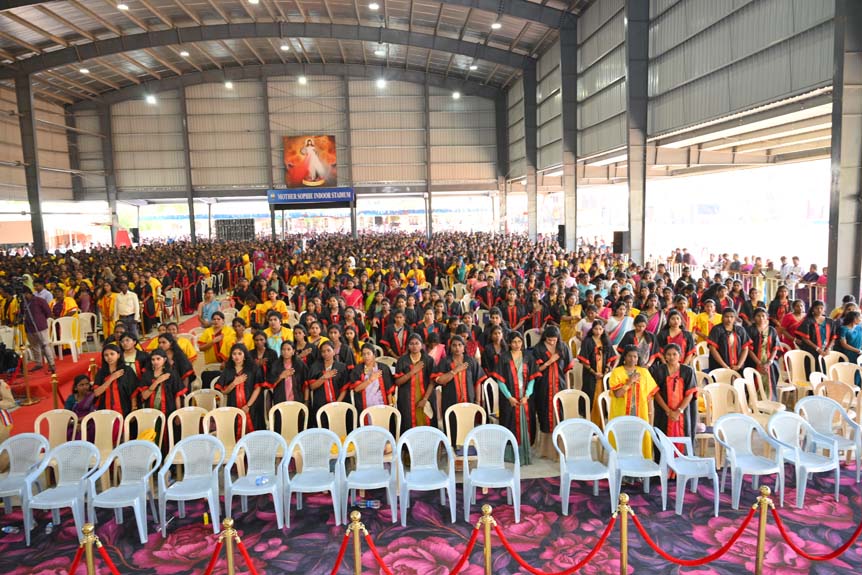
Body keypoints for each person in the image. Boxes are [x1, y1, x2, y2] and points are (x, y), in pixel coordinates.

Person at [608, 345, 658, 458]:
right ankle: (621, 463)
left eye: (635, 356)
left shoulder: (644, 372)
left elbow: (650, 397)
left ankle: (641, 464)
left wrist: (650, 417)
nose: (632, 359)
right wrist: (629, 382)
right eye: (629, 356)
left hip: (641, 413)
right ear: (624, 357)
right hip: (621, 413)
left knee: (641, 439)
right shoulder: (617, 372)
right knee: (622, 439)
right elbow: (617, 394)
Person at [494, 331, 536, 465]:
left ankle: (525, 455)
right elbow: (500, 381)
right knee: (509, 423)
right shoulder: (504, 358)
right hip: (509, 398)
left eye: (519, 341)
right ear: (509, 343)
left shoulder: (528, 357)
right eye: (514, 342)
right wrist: (509, 397)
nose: (517, 344)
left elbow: (532, 379)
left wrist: (527, 395)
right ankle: (511, 456)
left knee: (525, 425)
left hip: (524, 398)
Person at [532, 325, 573, 459]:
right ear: (544, 338)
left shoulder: (563, 347)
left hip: (560, 385)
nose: (551, 342)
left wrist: (568, 389)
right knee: (545, 415)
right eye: (549, 340)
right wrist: (550, 361)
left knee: (560, 414)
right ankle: (546, 450)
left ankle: (560, 448)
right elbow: (536, 369)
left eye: (554, 340)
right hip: (543, 386)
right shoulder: (538, 349)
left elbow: (566, 371)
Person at [651, 345, 697, 449]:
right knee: (663, 437)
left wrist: (678, 411)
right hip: (663, 412)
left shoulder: (688, 371)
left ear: (680, 356)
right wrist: (668, 411)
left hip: (682, 412)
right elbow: (656, 393)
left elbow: (690, 394)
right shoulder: (658, 371)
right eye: (668, 354)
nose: (671, 357)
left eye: (674, 354)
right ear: (664, 356)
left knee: (684, 438)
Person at [217, 344, 266, 431]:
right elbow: (224, 391)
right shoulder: (228, 370)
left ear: (244, 355)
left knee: (254, 430)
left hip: (252, 406)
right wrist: (234, 383)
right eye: (234, 354)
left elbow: (258, 388)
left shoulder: (253, 369)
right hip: (234, 406)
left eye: (240, 353)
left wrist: (248, 405)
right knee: (236, 430)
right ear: (231, 356)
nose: (237, 356)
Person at [393, 333, 436, 433]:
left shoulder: (428, 360)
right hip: (407, 399)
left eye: (417, 343)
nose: (414, 346)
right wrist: (412, 372)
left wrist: (425, 399)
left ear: (422, 345)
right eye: (411, 344)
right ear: (408, 346)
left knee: (427, 422)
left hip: (425, 397)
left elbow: (432, 382)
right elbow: (398, 382)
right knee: (408, 422)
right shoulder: (402, 361)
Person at [305, 340, 350, 428]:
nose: (326, 353)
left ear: (334, 351)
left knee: (338, 428)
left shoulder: (341, 367)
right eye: (323, 351)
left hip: (338, 403)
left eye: (328, 350)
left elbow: (344, 388)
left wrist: (337, 403)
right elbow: (312, 386)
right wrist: (324, 377)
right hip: (321, 405)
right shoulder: (315, 367)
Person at [135, 349, 186, 421]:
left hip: (169, 410)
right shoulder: (147, 375)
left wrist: (178, 414)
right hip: (150, 411)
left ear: (164, 359)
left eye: (158, 359)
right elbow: (144, 396)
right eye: (153, 359)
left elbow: (177, 396)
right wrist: (157, 382)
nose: (155, 362)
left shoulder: (171, 374)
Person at [577, 320, 614, 410]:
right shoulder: (587, 341)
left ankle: (602, 415)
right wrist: (594, 373)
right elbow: (584, 360)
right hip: (590, 373)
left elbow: (610, 357)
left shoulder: (606, 340)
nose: (598, 331)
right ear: (592, 329)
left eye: (600, 329)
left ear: (603, 330)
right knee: (590, 392)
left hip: (603, 373)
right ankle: (589, 415)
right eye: (596, 329)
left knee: (604, 391)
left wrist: (606, 370)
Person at [346, 343, 394, 412]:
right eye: (364, 354)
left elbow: (389, 389)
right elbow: (356, 389)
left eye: (368, 354)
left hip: (381, 403)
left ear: (374, 354)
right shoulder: (358, 369)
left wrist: (390, 405)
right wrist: (370, 380)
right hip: (364, 405)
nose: (366, 356)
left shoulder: (383, 368)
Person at [746, 308, 781, 400]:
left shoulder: (772, 330)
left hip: (769, 361)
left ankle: (769, 400)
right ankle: (754, 402)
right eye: (758, 316)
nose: (761, 318)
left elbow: (775, 348)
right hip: (753, 361)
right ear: (754, 318)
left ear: (767, 317)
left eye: (763, 316)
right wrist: (759, 363)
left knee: (770, 377)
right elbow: (748, 349)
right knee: (753, 381)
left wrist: (769, 362)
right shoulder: (750, 330)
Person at [20, 286, 56, 373]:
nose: (22, 297)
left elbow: (48, 313)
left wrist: (40, 320)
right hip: (28, 327)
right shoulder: (22, 303)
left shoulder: (40, 300)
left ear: (27, 293)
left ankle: (51, 364)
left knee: (45, 345)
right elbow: (22, 314)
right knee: (34, 346)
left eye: (23, 295)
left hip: (40, 327)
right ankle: (38, 363)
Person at [93, 343, 135, 414]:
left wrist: (134, 408)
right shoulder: (101, 372)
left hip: (124, 409)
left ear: (118, 355)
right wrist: (111, 379)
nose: (109, 357)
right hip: (105, 410)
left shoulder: (127, 370)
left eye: (112, 354)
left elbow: (134, 392)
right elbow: (96, 393)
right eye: (106, 355)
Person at [795, 300, 836, 369]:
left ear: (824, 309)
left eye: (821, 308)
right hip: (811, 350)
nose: (819, 310)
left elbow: (833, 338)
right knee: (811, 369)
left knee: (824, 370)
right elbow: (804, 338)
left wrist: (828, 349)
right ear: (813, 309)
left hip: (825, 351)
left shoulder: (830, 321)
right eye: (817, 308)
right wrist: (817, 349)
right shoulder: (808, 321)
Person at [268, 340, 307, 404]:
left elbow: (306, 384)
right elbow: (270, 385)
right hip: (280, 399)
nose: (286, 352)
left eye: (288, 349)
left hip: (297, 399)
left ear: (293, 351)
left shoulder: (300, 364)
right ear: (281, 351)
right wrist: (281, 377)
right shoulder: (275, 365)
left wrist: (306, 401)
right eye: (283, 349)